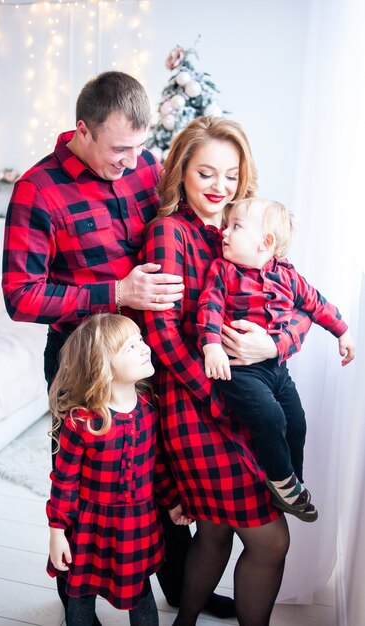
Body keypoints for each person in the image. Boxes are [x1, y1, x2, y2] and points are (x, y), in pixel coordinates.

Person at [2, 72, 232, 622]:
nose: (133, 161)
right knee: (85, 478)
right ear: (83, 130)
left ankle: (177, 586)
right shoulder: (38, 189)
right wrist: (117, 291)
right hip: (82, 362)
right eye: (119, 149)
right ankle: (76, 603)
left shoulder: (147, 164)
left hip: (150, 351)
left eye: (140, 146)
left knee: (163, 471)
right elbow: (19, 296)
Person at [139, 116, 314, 626]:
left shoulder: (252, 229)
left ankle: (185, 621)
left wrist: (275, 344)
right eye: (206, 174)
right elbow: (163, 336)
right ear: (181, 173)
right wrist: (220, 400)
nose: (220, 188)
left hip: (251, 394)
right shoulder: (171, 234)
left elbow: (297, 304)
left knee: (215, 529)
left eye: (231, 176)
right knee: (270, 537)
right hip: (200, 407)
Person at [197, 197, 355, 523]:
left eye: (235, 227)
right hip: (240, 371)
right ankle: (283, 481)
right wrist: (211, 345)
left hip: (277, 369)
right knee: (270, 417)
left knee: (296, 420)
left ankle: (290, 482)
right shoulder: (223, 271)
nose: (224, 232)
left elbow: (316, 304)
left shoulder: (288, 275)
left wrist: (342, 331)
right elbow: (209, 307)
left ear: (265, 243)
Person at [47, 313, 191, 626]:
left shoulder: (149, 407)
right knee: (80, 593)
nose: (144, 348)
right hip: (89, 526)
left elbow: (158, 467)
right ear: (103, 366)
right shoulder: (81, 421)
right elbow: (64, 481)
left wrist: (173, 502)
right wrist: (57, 531)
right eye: (130, 347)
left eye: (140, 339)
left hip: (135, 525)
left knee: (139, 590)